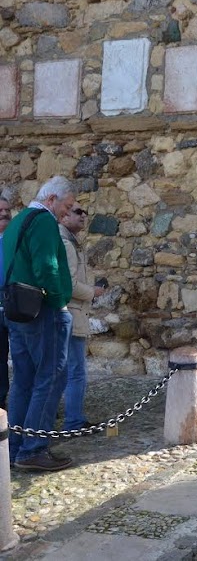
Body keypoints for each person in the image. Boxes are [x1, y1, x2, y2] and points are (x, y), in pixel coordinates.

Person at [5, 176, 75, 471]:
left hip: (15, 308)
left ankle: (13, 447)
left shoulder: (18, 220)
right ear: (51, 199)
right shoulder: (44, 220)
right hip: (42, 310)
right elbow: (47, 266)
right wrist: (59, 302)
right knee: (51, 376)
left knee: (23, 380)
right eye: (66, 206)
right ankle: (33, 448)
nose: (66, 213)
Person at [54, 202, 104, 431]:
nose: (83, 215)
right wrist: (93, 292)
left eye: (85, 212)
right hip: (72, 314)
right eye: (77, 211)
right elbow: (71, 284)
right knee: (75, 371)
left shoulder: (70, 241)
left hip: (69, 313)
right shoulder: (66, 243)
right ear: (64, 216)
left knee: (63, 370)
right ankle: (73, 420)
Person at [0, 196, 11, 409]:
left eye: (7, 210)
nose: (4, 213)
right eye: (0, 210)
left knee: (26, 355)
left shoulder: (16, 237)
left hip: (17, 301)